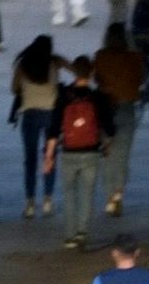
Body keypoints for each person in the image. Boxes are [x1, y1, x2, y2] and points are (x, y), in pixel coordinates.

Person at [51, 53, 116, 245]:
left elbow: (53, 128)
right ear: (92, 72)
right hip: (90, 152)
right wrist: (106, 145)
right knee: (87, 193)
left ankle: (69, 236)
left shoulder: (63, 95)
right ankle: (82, 232)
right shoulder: (98, 97)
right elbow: (110, 128)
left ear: (74, 72)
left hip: (69, 151)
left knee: (69, 194)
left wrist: (48, 156)